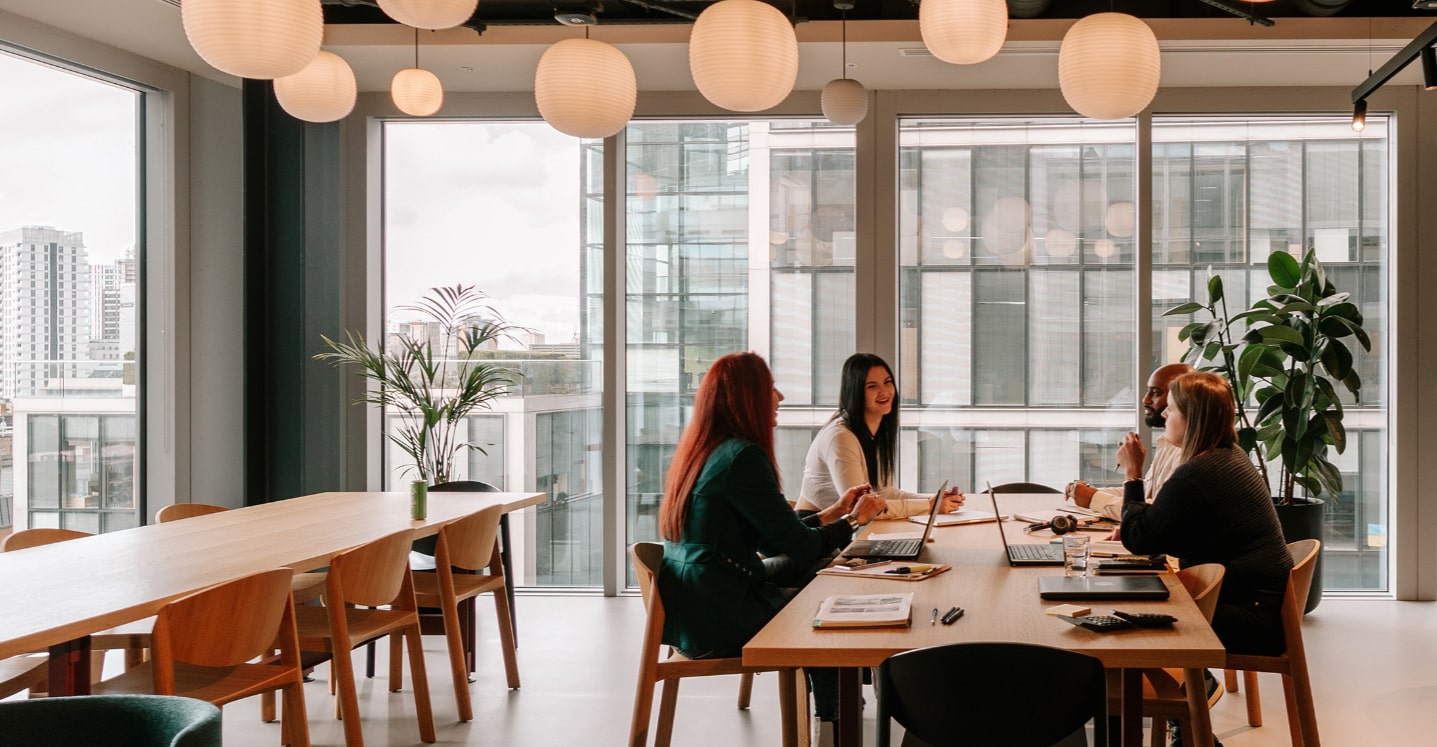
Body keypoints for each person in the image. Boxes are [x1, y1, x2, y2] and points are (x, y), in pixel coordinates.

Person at [656, 352, 884, 739]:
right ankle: (832, 725)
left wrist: (831, 513)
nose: (778, 396)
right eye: (769, 388)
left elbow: (772, 534)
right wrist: (854, 521)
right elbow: (799, 547)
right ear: (747, 398)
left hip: (697, 603)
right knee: (826, 610)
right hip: (718, 615)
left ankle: (842, 701)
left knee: (823, 575)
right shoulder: (743, 456)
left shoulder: (709, 450)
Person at [1116, 372, 1293, 747]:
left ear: (1191, 418)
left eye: (1172, 410)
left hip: (1250, 618)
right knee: (1134, 601)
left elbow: (1139, 539)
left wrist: (1132, 474)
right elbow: (1170, 529)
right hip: (1256, 603)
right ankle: (1189, 718)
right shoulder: (1228, 458)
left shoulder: (1197, 473)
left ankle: (1189, 714)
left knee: (1126, 622)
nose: (1164, 416)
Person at [796, 353, 964, 519]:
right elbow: (861, 507)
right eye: (872, 386)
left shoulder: (877, 430)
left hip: (847, 527)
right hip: (817, 530)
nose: (884, 391)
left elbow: (887, 493)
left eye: (887, 382)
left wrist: (934, 501)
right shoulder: (840, 437)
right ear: (855, 392)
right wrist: (928, 506)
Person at [1065, 362, 1194, 521]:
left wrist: (1094, 498)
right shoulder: (1167, 443)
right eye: (1147, 391)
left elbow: (1152, 514)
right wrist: (1089, 493)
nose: (1145, 400)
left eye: (1155, 392)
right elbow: (1147, 492)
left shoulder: (1191, 454)